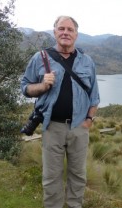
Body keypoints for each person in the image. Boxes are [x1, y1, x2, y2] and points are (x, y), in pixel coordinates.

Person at [21, 16, 100, 208]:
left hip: (79, 128)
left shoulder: (87, 62)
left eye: (70, 29)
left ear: (76, 35)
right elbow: (25, 87)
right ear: (55, 32)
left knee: (78, 176)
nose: (65, 32)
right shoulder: (39, 58)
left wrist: (88, 120)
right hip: (52, 127)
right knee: (51, 177)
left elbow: (94, 96)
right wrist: (42, 85)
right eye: (61, 28)